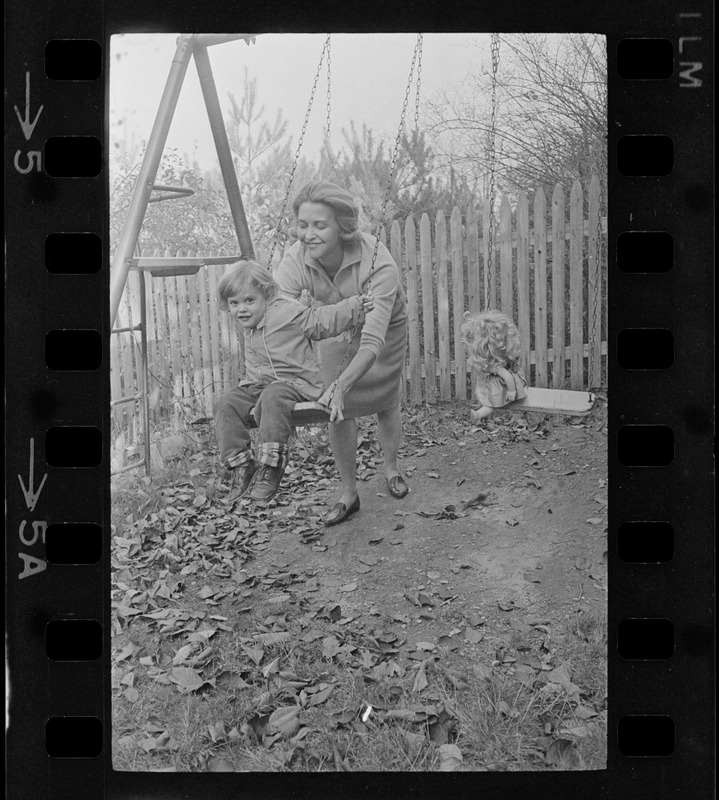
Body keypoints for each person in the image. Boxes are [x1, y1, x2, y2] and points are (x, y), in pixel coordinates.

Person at [275, 180, 410, 527]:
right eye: (303, 225)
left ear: (342, 227)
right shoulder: (296, 257)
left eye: (320, 225)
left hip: (384, 330)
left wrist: (343, 383)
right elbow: (282, 317)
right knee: (338, 408)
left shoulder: (379, 263)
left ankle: (391, 467)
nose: (308, 234)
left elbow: (371, 341)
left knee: (385, 397)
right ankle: (348, 492)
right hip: (334, 324)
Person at [213, 260, 373, 503]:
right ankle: (241, 465)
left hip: (296, 385)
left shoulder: (287, 312)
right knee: (227, 402)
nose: (241, 309)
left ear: (265, 294)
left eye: (248, 301)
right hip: (261, 385)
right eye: (234, 303)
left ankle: (272, 466)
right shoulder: (251, 322)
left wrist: (356, 305)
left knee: (273, 396)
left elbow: (322, 319)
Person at [460, 309, 528, 421]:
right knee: (490, 403)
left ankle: (479, 414)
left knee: (490, 403)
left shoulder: (492, 364)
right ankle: (480, 413)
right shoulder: (493, 363)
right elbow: (507, 376)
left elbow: (507, 376)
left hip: (496, 387)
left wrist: (511, 391)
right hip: (496, 387)